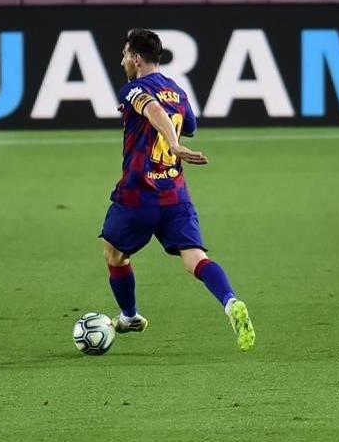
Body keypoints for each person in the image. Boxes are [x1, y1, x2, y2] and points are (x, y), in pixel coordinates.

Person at [99, 28, 255, 352]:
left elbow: (154, 111)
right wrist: (171, 139)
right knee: (196, 258)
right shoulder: (178, 91)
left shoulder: (134, 89)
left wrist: (173, 143)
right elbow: (190, 125)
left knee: (114, 253)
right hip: (174, 193)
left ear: (137, 59)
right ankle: (230, 302)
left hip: (138, 193)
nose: (123, 60)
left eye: (126, 54)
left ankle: (129, 316)